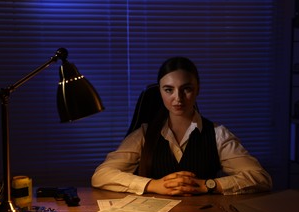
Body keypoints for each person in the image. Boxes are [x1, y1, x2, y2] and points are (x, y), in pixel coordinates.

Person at [91, 56, 272, 196]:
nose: (177, 98)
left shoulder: (218, 134)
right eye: (168, 90)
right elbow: (101, 175)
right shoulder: (144, 134)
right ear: (160, 92)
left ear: (198, 89)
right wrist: (154, 185)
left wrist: (206, 185)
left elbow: (261, 178)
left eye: (186, 89)